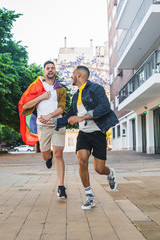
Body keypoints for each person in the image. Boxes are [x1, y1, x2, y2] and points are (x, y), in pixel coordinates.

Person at [40, 65, 119, 210]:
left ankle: (110, 173)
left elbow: (105, 107)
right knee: (82, 161)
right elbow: (70, 115)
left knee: (99, 168)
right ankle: (89, 196)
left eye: (72, 74)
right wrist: (54, 121)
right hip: (84, 134)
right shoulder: (76, 96)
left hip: (98, 132)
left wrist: (81, 117)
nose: (71, 76)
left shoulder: (96, 89)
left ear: (79, 75)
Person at [21, 60, 67, 199]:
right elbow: (25, 106)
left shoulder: (61, 89)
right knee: (46, 155)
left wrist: (50, 116)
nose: (50, 70)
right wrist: (41, 97)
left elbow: (62, 108)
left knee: (59, 152)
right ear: (44, 72)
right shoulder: (37, 88)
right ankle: (48, 157)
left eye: (53, 68)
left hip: (57, 123)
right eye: (48, 68)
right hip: (43, 127)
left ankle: (61, 186)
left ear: (55, 71)